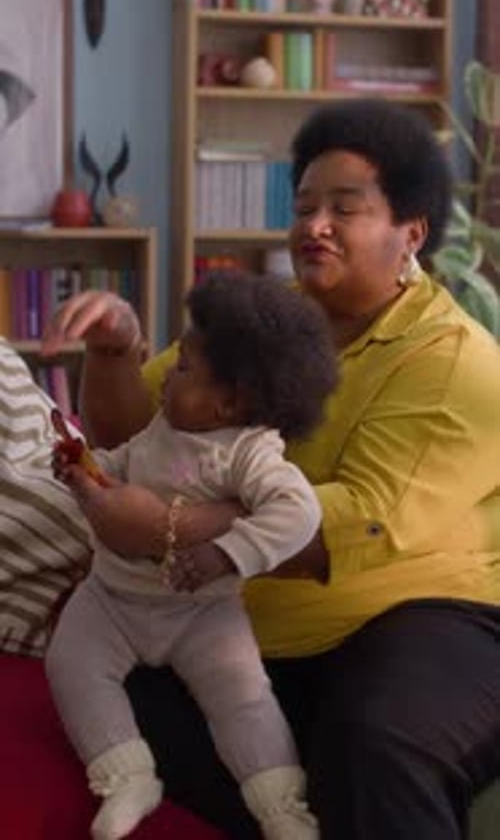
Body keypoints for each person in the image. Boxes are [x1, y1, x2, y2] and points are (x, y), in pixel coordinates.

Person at [42, 97, 500, 840]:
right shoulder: (258, 319)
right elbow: (145, 435)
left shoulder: (458, 362)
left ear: (410, 231)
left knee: (377, 742)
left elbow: (351, 525)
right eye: (305, 204)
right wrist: (115, 349)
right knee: (107, 707)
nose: (313, 224)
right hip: (247, 613)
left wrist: (167, 529)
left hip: (422, 614)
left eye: (343, 208)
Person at [45, 270, 336, 840]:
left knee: (243, 699)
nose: (166, 374)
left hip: (203, 612)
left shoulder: (250, 453)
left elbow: (298, 513)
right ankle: (126, 774)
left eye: (182, 369)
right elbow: (129, 461)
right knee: (70, 664)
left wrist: (228, 555)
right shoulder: (167, 424)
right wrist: (89, 473)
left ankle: (281, 808)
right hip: (112, 598)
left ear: (230, 402)